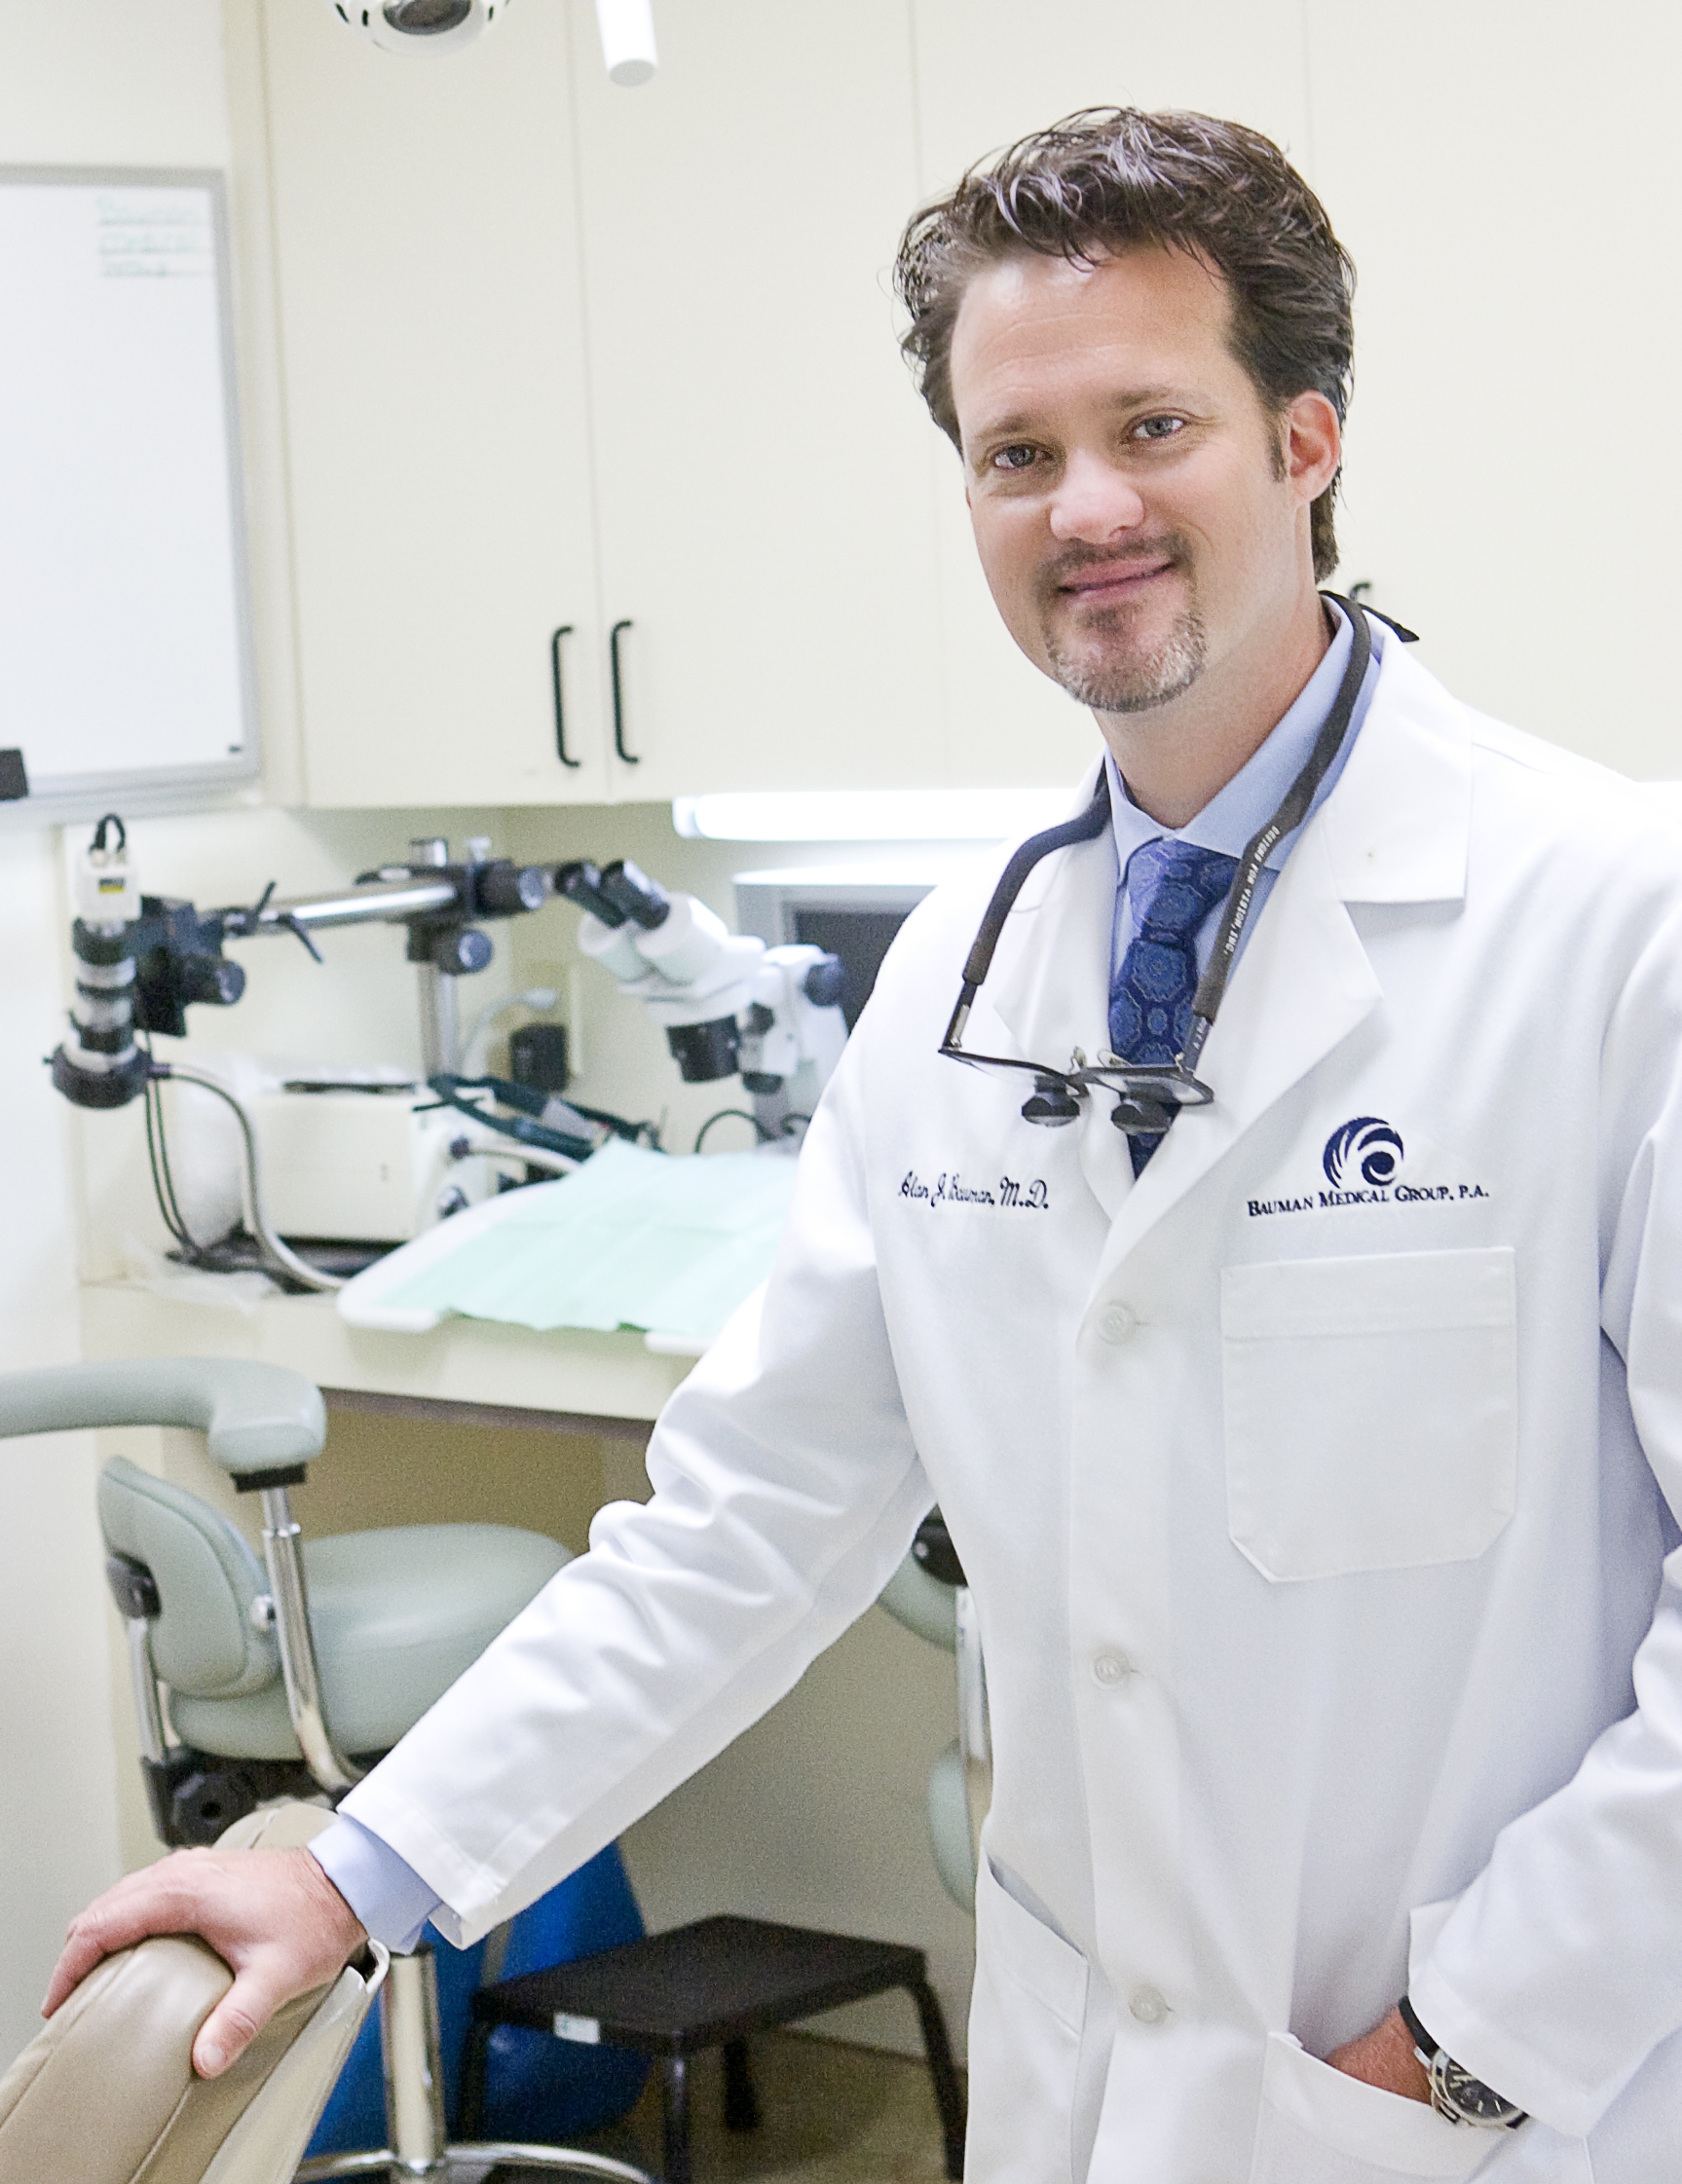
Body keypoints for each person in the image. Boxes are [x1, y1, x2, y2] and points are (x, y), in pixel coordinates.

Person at [45, 108, 1682, 2182]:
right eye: (1017, 453)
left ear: (1306, 441)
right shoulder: (962, 980)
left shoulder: (1615, 923)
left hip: (1490, 2107)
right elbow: (752, 1519)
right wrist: (363, 1872)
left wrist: (1461, 2049)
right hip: (1093, 2087)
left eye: (1153, 425)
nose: (1086, 507)